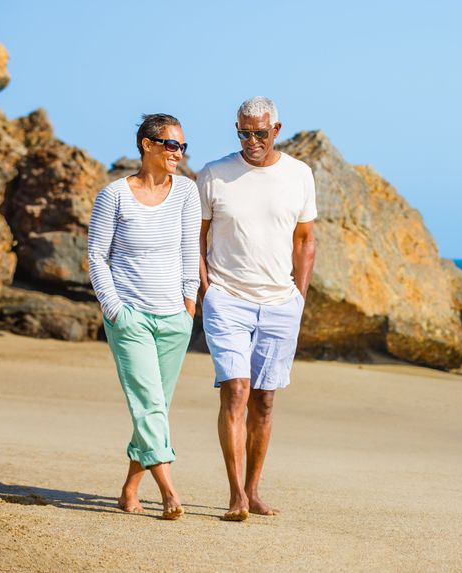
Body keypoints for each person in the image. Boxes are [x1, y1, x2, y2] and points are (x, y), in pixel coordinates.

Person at [197, 96, 317, 522]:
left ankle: (253, 489)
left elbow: (305, 239)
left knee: (264, 401)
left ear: (276, 130)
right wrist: (207, 286)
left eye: (260, 133)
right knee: (236, 391)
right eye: (244, 132)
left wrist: (299, 296)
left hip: (281, 303)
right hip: (227, 298)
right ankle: (235, 495)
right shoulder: (214, 175)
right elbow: (197, 235)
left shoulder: (299, 175)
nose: (252, 140)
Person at [87, 113, 200, 520]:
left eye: (182, 146)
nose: (178, 153)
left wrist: (190, 303)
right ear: (147, 145)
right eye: (171, 144)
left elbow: (191, 250)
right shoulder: (113, 196)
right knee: (150, 405)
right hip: (130, 317)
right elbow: (97, 256)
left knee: (153, 408)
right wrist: (114, 309)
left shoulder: (187, 192)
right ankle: (169, 491)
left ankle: (129, 488)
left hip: (174, 319)